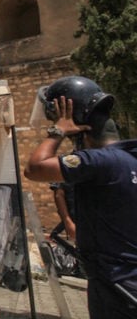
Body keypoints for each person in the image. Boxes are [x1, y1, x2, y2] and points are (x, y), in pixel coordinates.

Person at [24, 76, 137, 318]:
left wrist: (58, 131)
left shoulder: (100, 161)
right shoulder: (128, 159)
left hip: (116, 285)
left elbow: (34, 168)